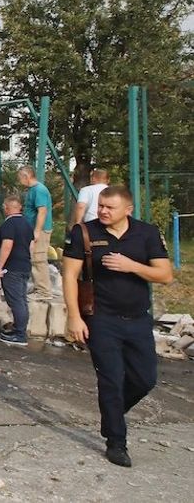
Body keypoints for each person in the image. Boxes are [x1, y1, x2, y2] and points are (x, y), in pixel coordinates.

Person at [63, 186, 173, 468]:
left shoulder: (146, 233)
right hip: (101, 319)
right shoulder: (84, 232)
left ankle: (111, 415)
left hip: (137, 319)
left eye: (109, 207)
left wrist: (131, 265)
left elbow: (165, 275)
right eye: (100, 205)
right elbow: (70, 276)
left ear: (128, 210)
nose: (102, 211)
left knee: (145, 379)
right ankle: (116, 442)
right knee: (110, 379)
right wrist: (74, 317)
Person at [0, 195, 34, 346]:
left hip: (12, 268)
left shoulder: (9, 224)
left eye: (4, 207)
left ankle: (20, 334)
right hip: (24, 266)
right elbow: (31, 246)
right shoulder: (27, 224)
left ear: (7, 208)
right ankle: (18, 328)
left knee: (16, 301)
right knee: (21, 300)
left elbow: (7, 245)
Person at [18, 165, 54, 300]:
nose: (19, 180)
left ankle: (44, 291)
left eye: (20, 177)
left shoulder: (39, 190)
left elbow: (42, 211)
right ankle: (39, 286)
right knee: (33, 258)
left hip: (40, 230)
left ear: (26, 176)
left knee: (38, 259)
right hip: (33, 229)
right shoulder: (32, 190)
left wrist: (37, 232)